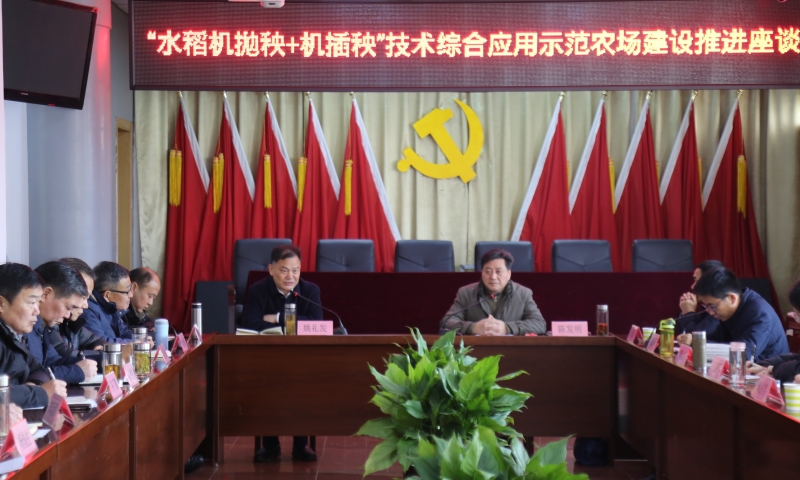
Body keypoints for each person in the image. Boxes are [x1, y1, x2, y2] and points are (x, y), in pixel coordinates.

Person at [241, 245, 321, 463]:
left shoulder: (310, 291)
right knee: (267, 386)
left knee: (303, 385)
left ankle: (301, 445)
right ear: (271, 269)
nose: (290, 277)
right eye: (284, 270)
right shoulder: (258, 290)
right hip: (268, 357)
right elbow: (251, 324)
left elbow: (316, 324)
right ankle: (270, 445)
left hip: (302, 358)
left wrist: (277, 319)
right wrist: (294, 325)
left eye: (295, 270)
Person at [677, 267, 789, 362]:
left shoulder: (760, 315)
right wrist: (694, 339)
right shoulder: (729, 310)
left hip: (769, 375)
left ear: (731, 298)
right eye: (706, 307)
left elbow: (742, 355)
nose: (710, 312)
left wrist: (698, 343)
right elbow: (718, 340)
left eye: (712, 306)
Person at [0, 263, 67, 408]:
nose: (37, 311)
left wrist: (32, 387)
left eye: (38, 303)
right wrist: (39, 393)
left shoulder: (13, 335)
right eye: (31, 302)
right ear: (1, 303)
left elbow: (38, 369)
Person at [440, 249, 546, 336]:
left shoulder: (523, 294)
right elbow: (446, 322)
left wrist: (507, 328)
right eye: (488, 271)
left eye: (498, 272)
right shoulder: (466, 293)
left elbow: (539, 324)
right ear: (482, 273)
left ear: (509, 274)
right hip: (475, 350)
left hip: (511, 350)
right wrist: (473, 327)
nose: (493, 277)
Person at [25, 261, 97, 384]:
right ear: (46, 294)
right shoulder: (22, 328)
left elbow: (53, 361)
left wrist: (100, 361)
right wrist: (77, 372)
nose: (67, 315)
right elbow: (27, 377)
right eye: (67, 308)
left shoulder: (42, 327)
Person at [748, 280, 800, 382]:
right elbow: (797, 358)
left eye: (798, 314)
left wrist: (774, 369)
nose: (797, 320)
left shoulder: (760, 313)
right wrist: (765, 366)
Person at [55, 258, 105, 358]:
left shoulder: (71, 323)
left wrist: (99, 347)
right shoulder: (50, 324)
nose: (86, 305)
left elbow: (97, 340)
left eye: (88, 298)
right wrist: (101, 355)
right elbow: (65, 354)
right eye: (83, 297)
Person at [81, 261, 134, 344]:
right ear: (107, 295)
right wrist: (136, 343)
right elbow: (102, 343)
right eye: (127, 291)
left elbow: (125, 333)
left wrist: (141, 338)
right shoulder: (87, 310)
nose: (131, 295)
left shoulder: (110, 307)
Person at [675, 260, 725, 336]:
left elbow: (696, 338)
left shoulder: (718, 310)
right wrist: (685, 312)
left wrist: (688, 313)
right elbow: (682, 336)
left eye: (697, 281)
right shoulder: (705, 308)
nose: (692, 287)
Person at [124, 267, 160, 331]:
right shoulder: (119, 312)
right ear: (133, 287)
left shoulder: (139, 313)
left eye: (153, 298)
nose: (150, 303)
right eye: (150, 296)